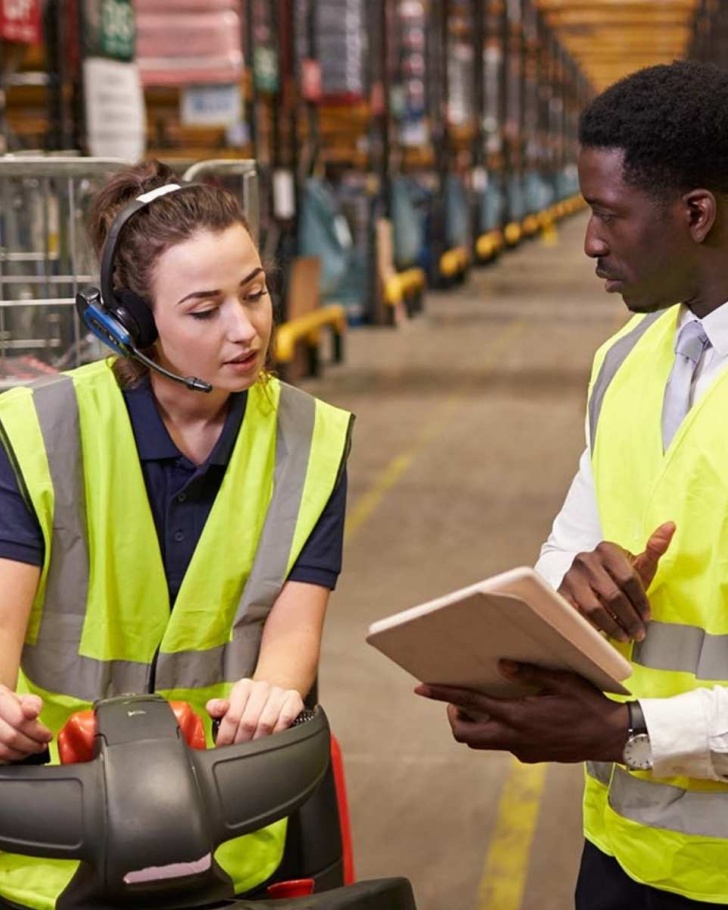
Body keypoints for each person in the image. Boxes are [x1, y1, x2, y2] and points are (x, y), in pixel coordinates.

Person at [416, 60, 728, 908]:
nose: (589, 242)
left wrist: (624, 729)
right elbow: (560, 553)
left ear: (696, 213)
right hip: (625, 853)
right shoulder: (623, 361)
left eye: (607, 214)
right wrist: (563, 603)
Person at [0, 159, 353, 908]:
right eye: (204, 310)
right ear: (132, 323)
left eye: (255, 293)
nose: (245, 329)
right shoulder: (39, 431)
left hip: (226, 819)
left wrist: (274, 694)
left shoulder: (310, 438)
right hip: (50, 827)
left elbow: (293, 644)